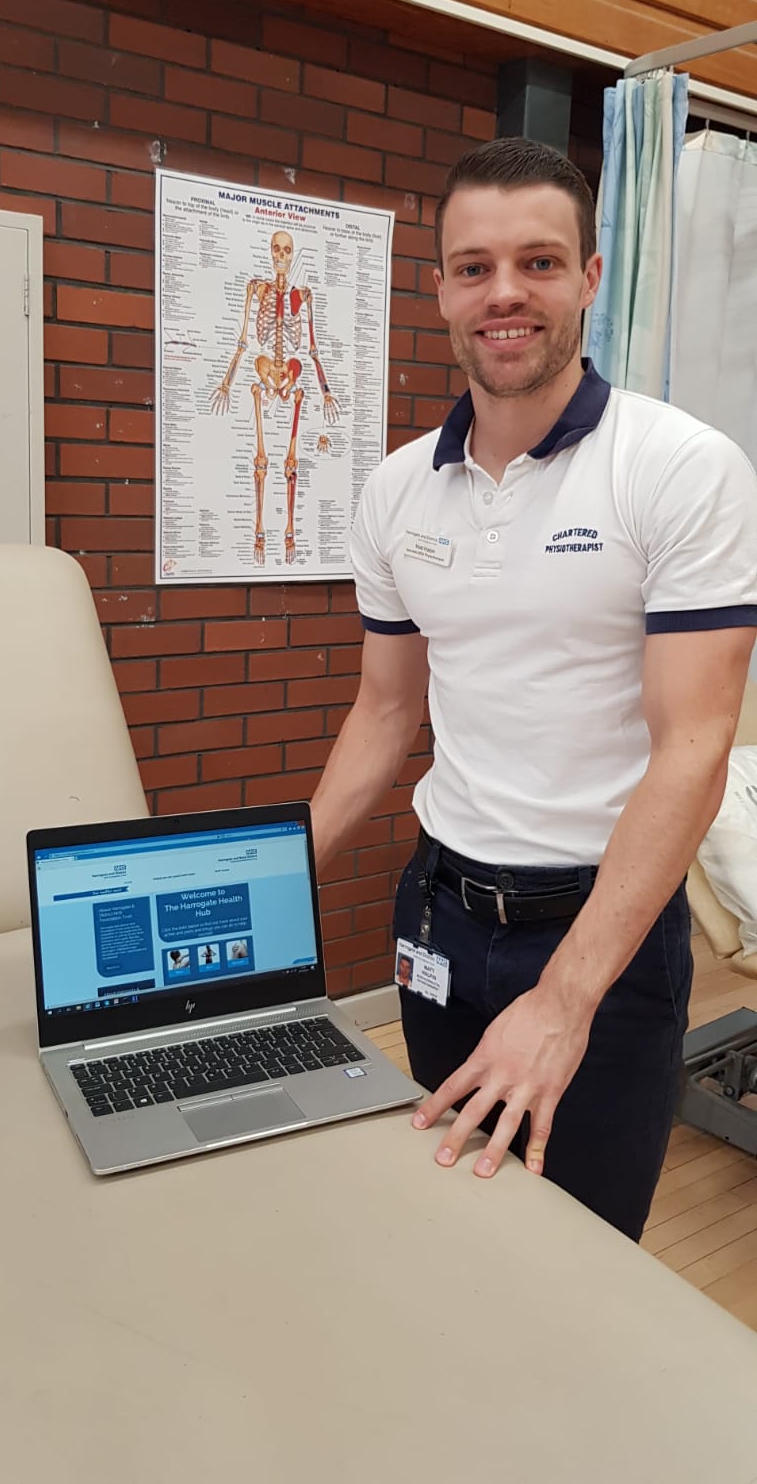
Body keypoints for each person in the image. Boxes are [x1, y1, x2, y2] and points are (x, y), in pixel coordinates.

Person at [311, 136, 757, 1241]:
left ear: (589, 277)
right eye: (474, 267)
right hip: (437, 912)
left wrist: (563, 998)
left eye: (539, 262)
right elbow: (384, 709)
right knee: (452, 1209)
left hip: (602, 928)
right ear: (441, 289)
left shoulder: (678, 467)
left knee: (583, 1247)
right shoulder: (396, 490)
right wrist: (269, 877)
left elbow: (695, 747)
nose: (504, 292)